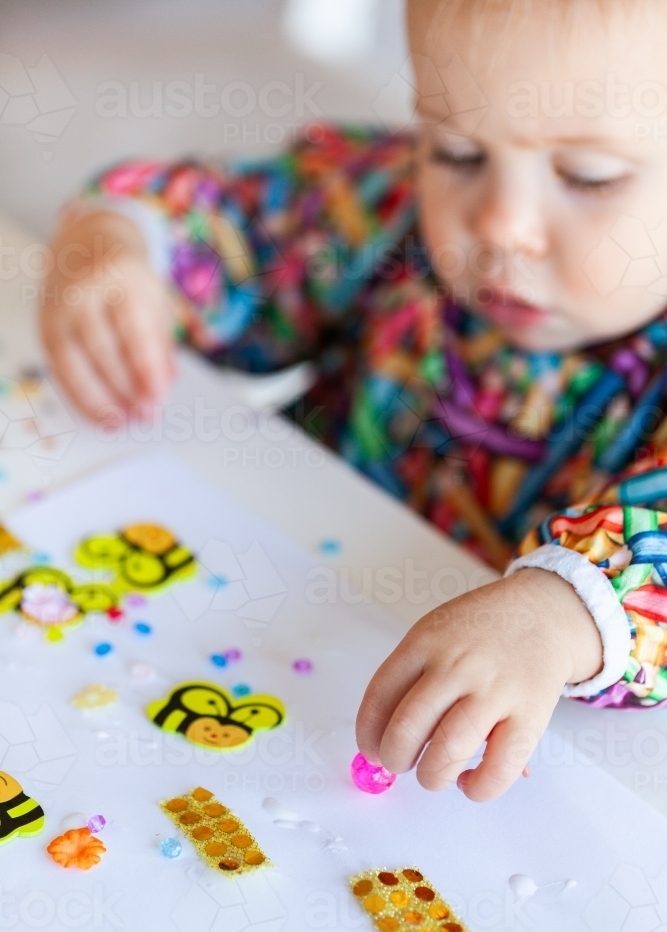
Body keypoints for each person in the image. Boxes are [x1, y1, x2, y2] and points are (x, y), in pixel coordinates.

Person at [40, 0, 667, 802]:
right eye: (457, 151)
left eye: (589, 176)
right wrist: (120, 246)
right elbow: (232, 223)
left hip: (499, 782)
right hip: (260, 625)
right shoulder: (388, 210)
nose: (500, 226)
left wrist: (556, 617)